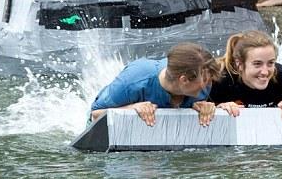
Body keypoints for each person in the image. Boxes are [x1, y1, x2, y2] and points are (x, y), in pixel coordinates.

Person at [90, 42, 221, 125]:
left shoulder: (202, 87)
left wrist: (209, 108)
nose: (208, 84)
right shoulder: (133, 82)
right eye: (205, 80)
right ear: (184, 80)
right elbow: (94, 116)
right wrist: (131, 109)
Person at [209, 30, 282, 116]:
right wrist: (219, 108)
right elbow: (202, 110)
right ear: (239, 64)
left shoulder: (281, 76)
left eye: (270, 63)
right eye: (257, 64)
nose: (265, 72)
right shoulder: (220, 78)